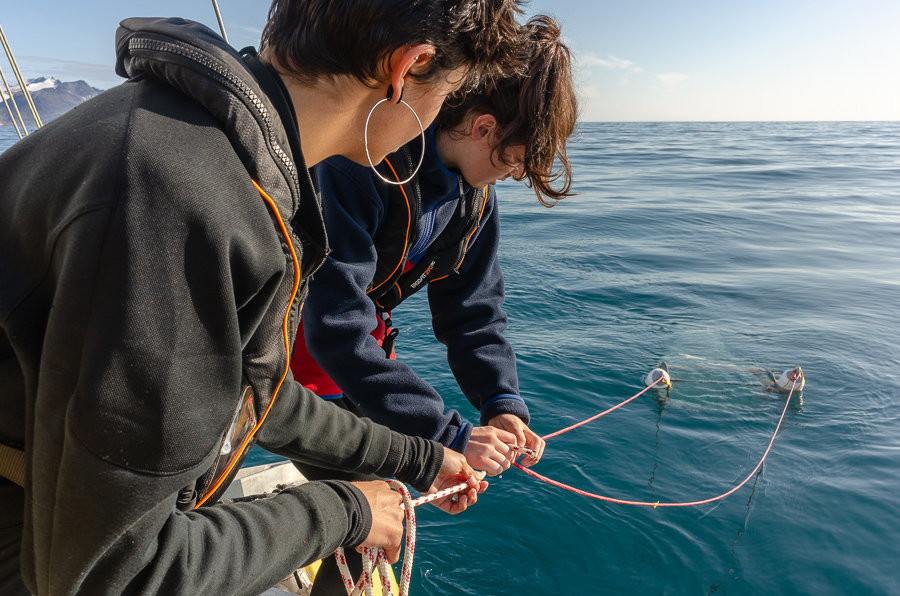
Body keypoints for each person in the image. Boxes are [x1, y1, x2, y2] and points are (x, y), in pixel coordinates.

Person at [0, 1, 528, 594]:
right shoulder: (177, 201)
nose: (436, 119)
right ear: (408, 68)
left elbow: (256, 393)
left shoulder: (211, 153)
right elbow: (111, 574)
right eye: (448, 93)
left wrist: (421, 459)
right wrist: (346, 512)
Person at [288, 16, 575, 591]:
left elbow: (474, 315)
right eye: (514, 159)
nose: (515, 174)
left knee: (384, 494)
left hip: (351, 363)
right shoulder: (360, 165)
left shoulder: (474, 201)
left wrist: (501, 404)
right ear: (483, 126)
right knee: (373, 510)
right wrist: (446, 437)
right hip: (285, 358)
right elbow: (335, 325)